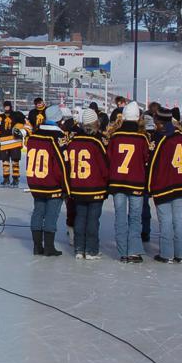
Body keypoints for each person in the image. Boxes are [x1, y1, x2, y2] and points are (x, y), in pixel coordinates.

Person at [147, 108, 182, 263]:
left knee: (166, 221)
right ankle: (181, 254)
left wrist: (149, 186)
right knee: (178, 220)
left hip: (164, 184)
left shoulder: (160, 138)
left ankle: (167, 254)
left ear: (160, 122)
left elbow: (152, 163)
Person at [107, 102, 151, 263]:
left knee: (120, 217)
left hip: (117, 181)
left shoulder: (115, 136)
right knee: (135, 217)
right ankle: (133, 250)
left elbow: (109, 157)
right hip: (136, 181)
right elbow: (146, 158)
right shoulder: (142, 137)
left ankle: (122, 251)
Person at [25, 104, 69, 256]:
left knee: (38, 212)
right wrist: (65, 186)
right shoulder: (57, 138)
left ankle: (37, 246)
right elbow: (62, 164)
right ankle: (49, 247)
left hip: (36, 181)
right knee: (51, 214)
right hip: (52, 183)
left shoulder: (34, 135)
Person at [67, 109, 109, 260]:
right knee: (92, 220)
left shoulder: (74, 141)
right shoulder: (96, 142)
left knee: (80, 217)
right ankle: (91, 250)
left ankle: (79, 248)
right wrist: (107, 183)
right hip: (95, 187)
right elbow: (104, 167)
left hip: (77, 186)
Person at [0, 100, 26, 187]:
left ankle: (15, 178)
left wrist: (19, 130)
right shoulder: (0, 117)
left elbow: (23, 124)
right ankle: (6, 178)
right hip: (4, 142)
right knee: (5, 162)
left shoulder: (17, 115)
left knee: (15, 162)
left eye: (8, 106)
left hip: (15, 142)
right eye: (5, 106)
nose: (7, 108)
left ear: (11, 106)